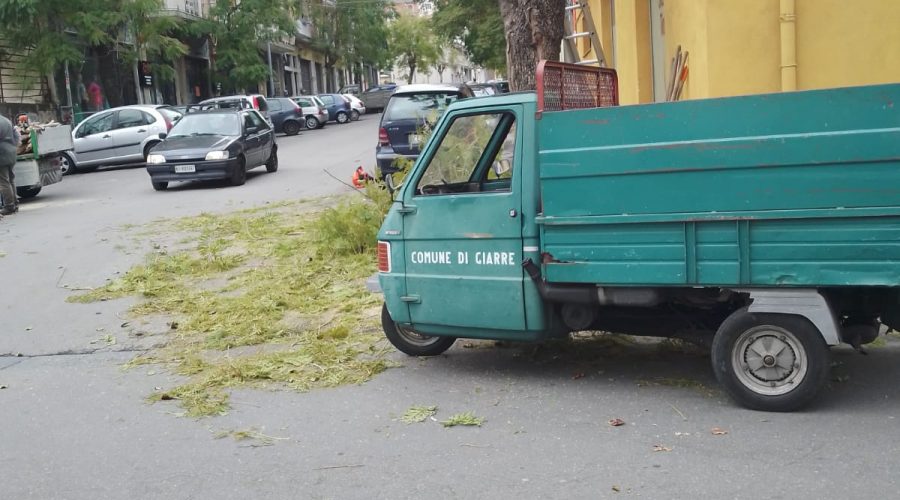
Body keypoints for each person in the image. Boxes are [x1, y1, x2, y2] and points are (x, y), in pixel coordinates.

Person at [0, 111, 19, 216]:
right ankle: (15, 203)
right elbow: (17, 135)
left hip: (2, 154)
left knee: (3, 181)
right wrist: (13, 146)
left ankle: (9, 206)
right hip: (11, 153)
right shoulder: (6, 120)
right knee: (11, 180)